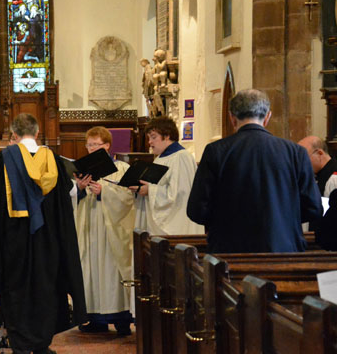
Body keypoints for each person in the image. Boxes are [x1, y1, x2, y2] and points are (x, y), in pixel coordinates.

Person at [0, 113, 86, 354]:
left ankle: (21, 350)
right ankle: (43, 346)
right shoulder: (53, 159)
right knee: (45, 286)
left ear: (14, 134)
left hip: (16, 238)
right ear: (37, 133)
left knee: (17, 288)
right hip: (47, 239)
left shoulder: (6, 158)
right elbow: (69, 192)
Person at [187, 89, 323, 253]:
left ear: (232, 118)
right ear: (267, 117)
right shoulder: (295, 152)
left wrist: (222, 220)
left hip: (229, 251)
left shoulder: (215, 151)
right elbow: (313, 208)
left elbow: (196, 210)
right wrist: (282, 217)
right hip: (283, 250)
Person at [74, 126, 135, 335]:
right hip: (90, 227)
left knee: (111, 271)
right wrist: (79, 190)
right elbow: (74, 201)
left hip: (111, 231)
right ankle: (95, 318)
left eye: (96, 145)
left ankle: (121, 318)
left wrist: (104, 192)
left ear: (107, 146)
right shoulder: (83, 170)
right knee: (90, 269)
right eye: (89, 145)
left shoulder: (120, 168)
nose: (91, 149)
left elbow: (128, 197)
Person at [131, 116, 203, 235]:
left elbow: (180, 194)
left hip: (178, 225)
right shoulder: (159, 158)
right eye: (149, 138)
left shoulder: (181, 157)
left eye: (153, 137)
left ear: (167, 135)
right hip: (156, 227)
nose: (150, 142)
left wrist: (150, 190)